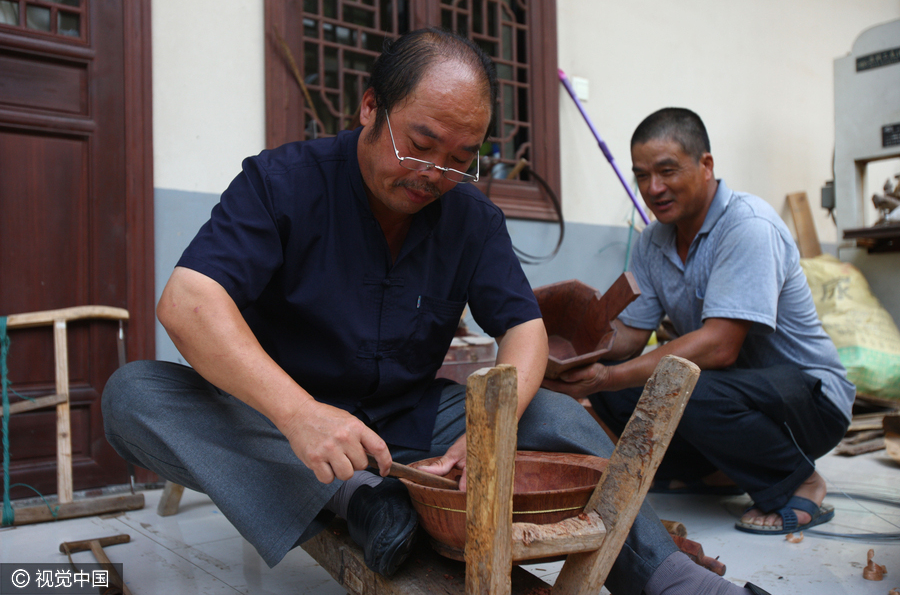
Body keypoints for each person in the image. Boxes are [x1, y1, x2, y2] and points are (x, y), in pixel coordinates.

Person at [102, 32, 769, 595]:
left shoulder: (469, 213)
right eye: (420, 144)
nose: (434, 172)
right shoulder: (283, 182)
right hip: (282, 422)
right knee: (134, 396)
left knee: (561, 416)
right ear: (370, 108)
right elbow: (189, 301)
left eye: (460, 158)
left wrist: (492, 428)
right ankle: (353, 498)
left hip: (411, 423)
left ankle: (672, 579)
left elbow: (525, 328)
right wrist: (300, 414)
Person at [544, 107, 854, 538]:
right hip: (736, 395)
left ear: (706, 165)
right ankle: (718, 472)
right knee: (620, 394)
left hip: (810, 402)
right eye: (642, 175)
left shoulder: (749, 226)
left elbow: (719, 346)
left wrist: (606, 377)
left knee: (674, 384)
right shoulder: (655, 239)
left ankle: (803, 480)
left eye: (667, 171)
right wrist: (565, 353)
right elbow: (631, 336)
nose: (654, 188)